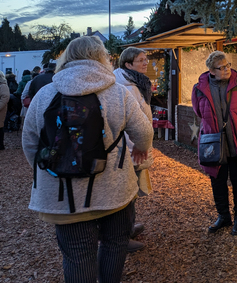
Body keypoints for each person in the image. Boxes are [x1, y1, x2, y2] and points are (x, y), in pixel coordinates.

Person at [22, 36, 153, 283]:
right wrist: (140, 150)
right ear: (102, 57)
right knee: (115, 244)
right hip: (113, 189)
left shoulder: (45, 93)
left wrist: (50, 170)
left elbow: (29, 141)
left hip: (64, 197)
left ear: (66, 58)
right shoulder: (118, 92)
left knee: (77, 255)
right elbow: (144, 132)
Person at [191, 51, 237, 235]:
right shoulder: (199, 89)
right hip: (213, 143)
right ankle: (223, 216)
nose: (227, 69)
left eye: (228, 65)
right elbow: (198, 111)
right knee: (217, 182)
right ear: (211, 70)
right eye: (222, 67)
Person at [114, 47, 154, 253]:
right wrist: (139, 147)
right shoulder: (128, 87)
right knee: (127, 193)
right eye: (141, 60)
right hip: (130, 149)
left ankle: (127, 229)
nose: (145, 63)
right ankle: (122, 236)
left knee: (130, 191)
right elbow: (133, 124)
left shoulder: (134, 83)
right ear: (128, 64)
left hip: (132, 147)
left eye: (146, 59)